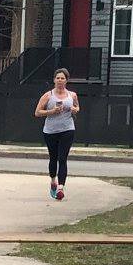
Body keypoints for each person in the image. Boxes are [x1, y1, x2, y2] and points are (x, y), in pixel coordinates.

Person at [33, 68, 81, 200]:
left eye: (62, 78)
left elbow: (77, 107)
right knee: (53, 157)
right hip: (51, 131)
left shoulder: (72, 95)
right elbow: (37, 112)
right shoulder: (48, 96)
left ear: (66, 80)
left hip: (67, 129)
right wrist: (51, 111)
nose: (60, 80)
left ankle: (61, 188)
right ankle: (53, 181)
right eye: (58, 78)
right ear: (54, 80)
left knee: (62, 158)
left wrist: (74, 109)